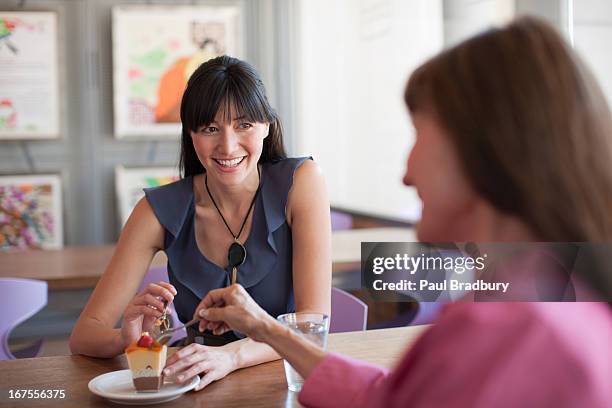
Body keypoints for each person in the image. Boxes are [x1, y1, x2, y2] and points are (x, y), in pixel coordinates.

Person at [191, 17, 612, 407]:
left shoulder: (520, 337)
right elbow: (389, 396)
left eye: (420, 137)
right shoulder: (541, 308)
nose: (407, 173)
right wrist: (264, 327)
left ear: (487, 155)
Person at [70, 56, 332, 390]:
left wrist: (231, 356)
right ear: (190, 134)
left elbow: (310, 328)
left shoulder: (301, 182)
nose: (227, 145)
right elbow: (84, 336)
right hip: (194, 386)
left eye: (244, 125)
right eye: (210, 128)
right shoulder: (155, 210)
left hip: (281, 385)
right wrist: (126, 337)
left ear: (266, 125)